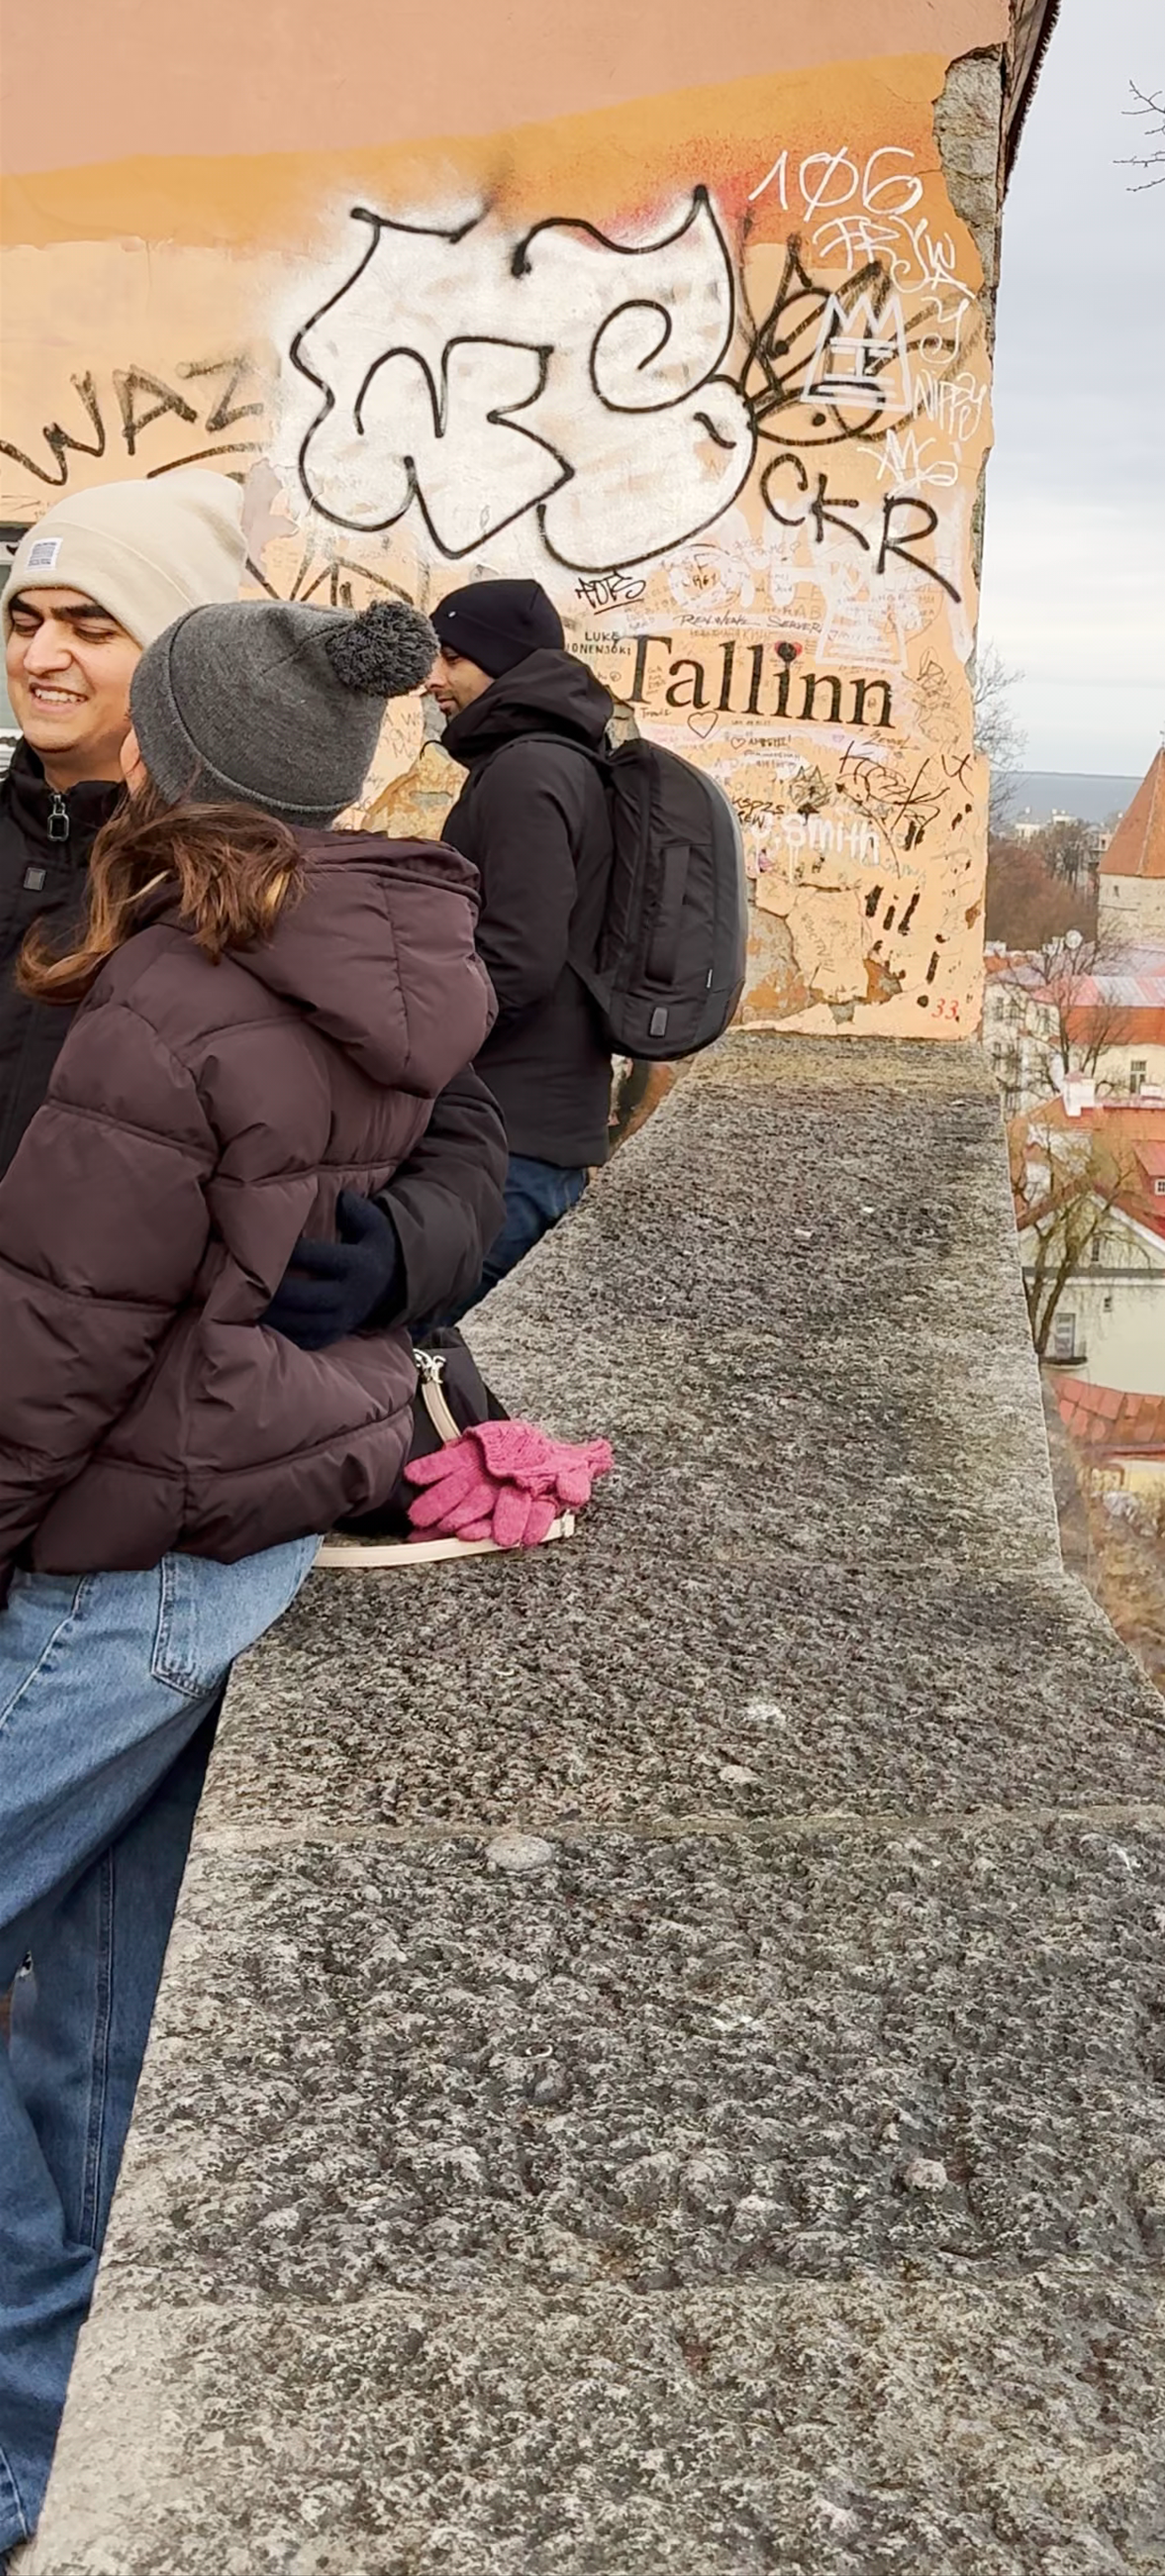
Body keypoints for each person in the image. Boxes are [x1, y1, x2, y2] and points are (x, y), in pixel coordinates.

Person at [0, 593, 496, 2546]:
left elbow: (57, 1337)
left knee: (89, 2035)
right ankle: (32, 2456)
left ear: (179, 757)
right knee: (91, 2043)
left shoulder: (172, 996)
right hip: (242, 1540)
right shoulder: (380, 954)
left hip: (118, 1560)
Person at [2, 476, 507, 1339]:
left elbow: (455, 1126)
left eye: (89, 628)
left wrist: (400, 1252)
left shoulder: (258, 879)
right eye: (23, 621)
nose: (40, 656)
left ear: (170, 664)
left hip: (122, 1371)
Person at [427, 578, 618, 1297]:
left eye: (453, 657)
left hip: (512, 1135)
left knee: (425, 1339)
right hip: (529, 1127)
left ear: (503, 660)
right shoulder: (557, 758)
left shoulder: (527, 770)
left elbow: (518, 958)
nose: (433, 678)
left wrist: (414, 1042)